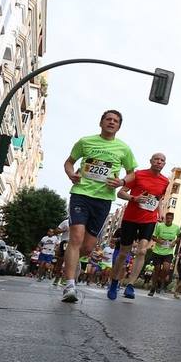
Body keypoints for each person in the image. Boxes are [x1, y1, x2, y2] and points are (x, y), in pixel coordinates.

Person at [60, 110, 136, 303]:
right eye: (108, 119)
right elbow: (69, 162)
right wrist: (71, 175)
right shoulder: (85, 142)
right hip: (81, 194)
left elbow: (131, 173)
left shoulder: (124, 149)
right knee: (75, 237)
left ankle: (75, 264)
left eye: (116, 121)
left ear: (119, 126)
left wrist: (121, 182)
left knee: (87, 247)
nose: (111, 122)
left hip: (103, 200)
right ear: (101, 122)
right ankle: (69, 285)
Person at [107, 152, 171, 301]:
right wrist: (133, 198)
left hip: (149, 219)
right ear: (151, 161)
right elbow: (120, 193)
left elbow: (159, 199)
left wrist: (160, 212)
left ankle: (130, 285)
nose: (159, 162)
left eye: (162, 160)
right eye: (156, 159)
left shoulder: (165, 181)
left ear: (164, 164)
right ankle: (115, 281)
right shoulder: (138, 174)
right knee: (124, 253)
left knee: (142, 251)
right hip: (131, 217)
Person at [146, 213, 181, 296]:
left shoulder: (176, 227)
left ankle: (160, 281)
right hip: (157, 251)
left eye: (170, 218)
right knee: (157, 269)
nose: (168, 220)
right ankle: (153, 287)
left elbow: (179, 236)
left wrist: (175, 242)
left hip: (168, 252)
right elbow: (153, 237)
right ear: (165, 218)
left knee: (166, 269)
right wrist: (158, 241)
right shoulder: (159, 226)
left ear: (172, 219)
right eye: (167, 218)